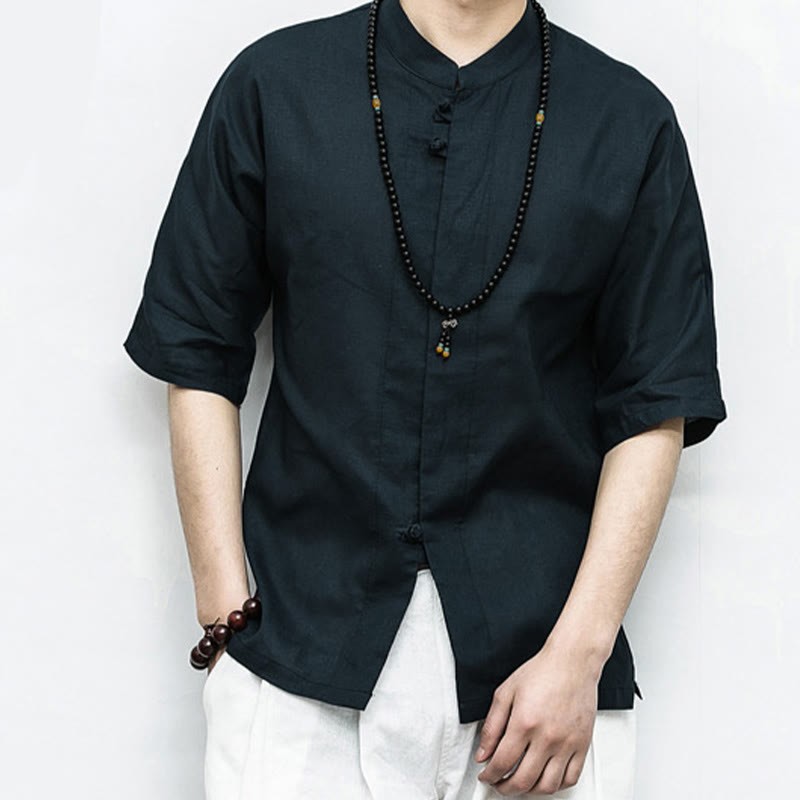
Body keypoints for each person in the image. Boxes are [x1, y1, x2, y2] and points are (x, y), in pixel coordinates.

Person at [123, 0, 727, 797]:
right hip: (299, 661)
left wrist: (579, 656)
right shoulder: (275, 86)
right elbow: (197, 344)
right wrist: (224, 608)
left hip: (544, 683)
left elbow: (655, 400)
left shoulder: (627, 120)